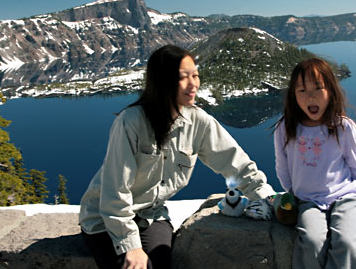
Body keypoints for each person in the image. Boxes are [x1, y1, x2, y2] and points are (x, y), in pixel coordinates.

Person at [79, 44, 275, 269]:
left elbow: (236, 164)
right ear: (163, 81)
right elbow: (115, 192)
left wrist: (266, 198)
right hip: (106, 221)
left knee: (161, 262)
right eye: (184, 77)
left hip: (151, 215)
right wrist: (130, 246)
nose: (194, 84)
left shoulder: (199, 122)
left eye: (196, 75)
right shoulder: (130, 122)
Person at [273, 57, 356, 269]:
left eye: (318, 88)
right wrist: (293, 193)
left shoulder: (342, 127)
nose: (311, 97)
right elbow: (282, 167)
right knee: (312, 242)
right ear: (293, 95)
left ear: (331, 91)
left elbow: (355, 167)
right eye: (302, 90)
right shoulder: (285, 128)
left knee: (349, 242)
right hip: (308, 201)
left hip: (345, 197)